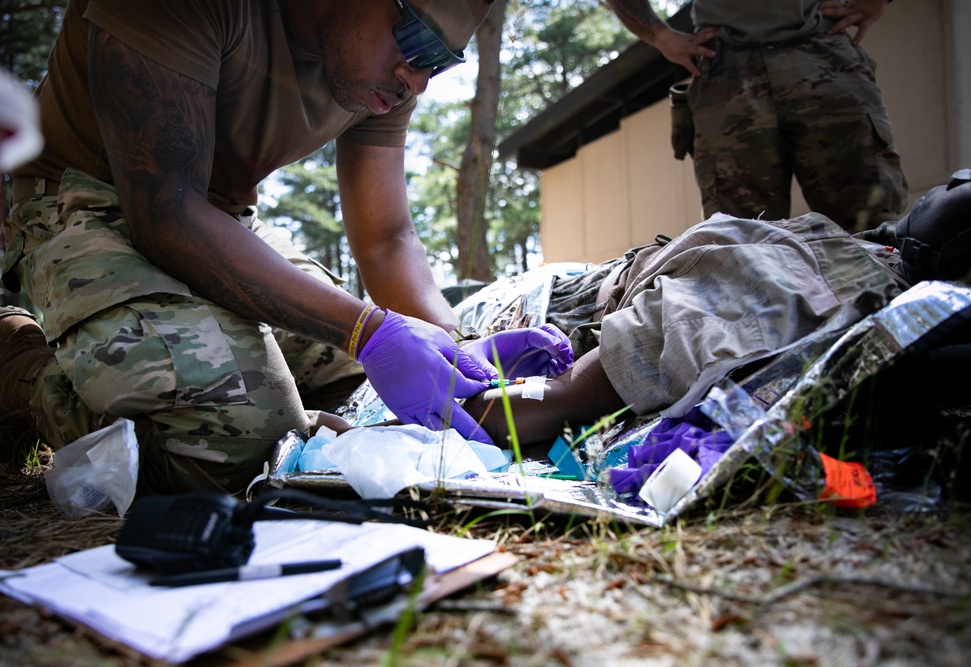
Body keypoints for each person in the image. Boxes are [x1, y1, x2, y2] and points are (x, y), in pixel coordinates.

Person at [0, 0, 573, 493]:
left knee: (364, 391)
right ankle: (19, 364)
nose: (418, 79)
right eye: (419, 39)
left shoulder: (383, 71)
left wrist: (455, 352)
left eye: (442, 60)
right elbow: (165, 212)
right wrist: (367, 329)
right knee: (235, 444)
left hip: (220, 218)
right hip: (87, 200)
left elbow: (386, 238)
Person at [464, 158, 971, 448]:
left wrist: (435, 412)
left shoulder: (785, 294)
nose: (957, 176)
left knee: (446, 328)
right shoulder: (870, 256)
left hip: (553, 304)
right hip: (568, 283)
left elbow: (556, 397)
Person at [605, 0, 908, 233]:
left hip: (821, 50)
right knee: (742, 247)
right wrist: (660, 36)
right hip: (726, 70)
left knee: (870, 231)